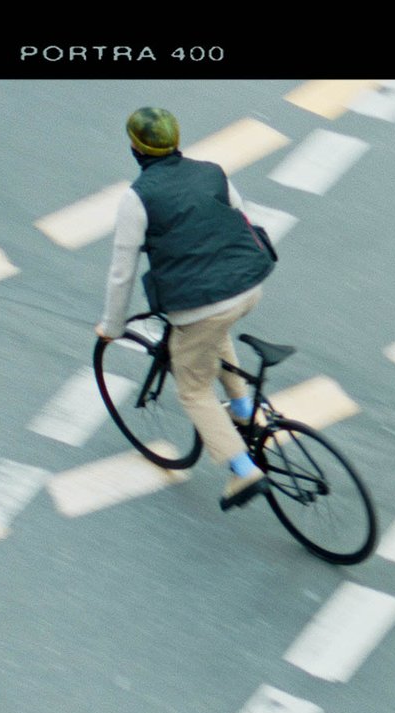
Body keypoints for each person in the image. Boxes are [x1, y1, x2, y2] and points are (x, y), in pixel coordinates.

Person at [95, 106, 278, 510]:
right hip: (247, 285)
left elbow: (122, 272)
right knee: (213, 330)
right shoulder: (212, 171)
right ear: (177, 140)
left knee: (193, 390)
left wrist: (113, 325)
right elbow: (241, 217)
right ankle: (243, 406)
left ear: (135, 149)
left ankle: (243, 471)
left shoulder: (137, 198)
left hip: (200, 306)